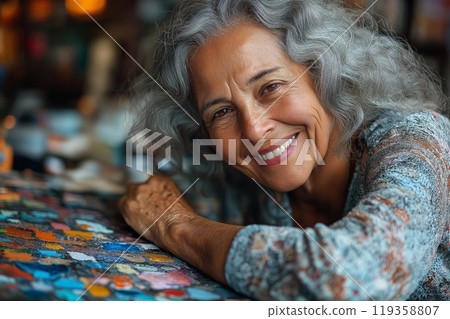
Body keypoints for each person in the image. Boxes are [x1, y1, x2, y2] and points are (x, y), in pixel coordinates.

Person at [119, 0, 449, 300]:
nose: (253, 129)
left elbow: (349, 278)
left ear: (324, 74)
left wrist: (176, 226)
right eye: (221, 112)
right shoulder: (244, 181)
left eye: (271, 87)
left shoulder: (414, 142)